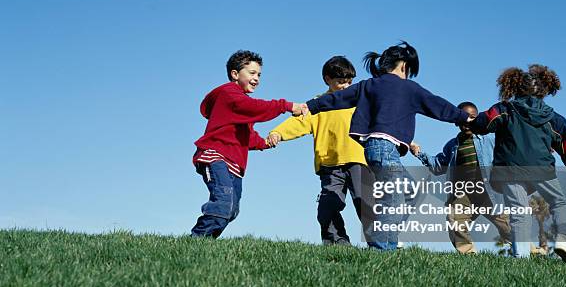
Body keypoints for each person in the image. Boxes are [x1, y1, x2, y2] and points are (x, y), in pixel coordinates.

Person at [306, 41, 471, 250]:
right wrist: (466, 118)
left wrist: (310, 106)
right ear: (403, 66)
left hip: (379, 150)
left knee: (411, 191)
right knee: (392, 198)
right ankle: (380, 248)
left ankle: (389, 241)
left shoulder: (369, 85)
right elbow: (438, 105)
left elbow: (339, 98)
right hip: (383, 149)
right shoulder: (408, 88)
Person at [470, 65, 566, 262]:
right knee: (559, 202)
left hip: (510, 169)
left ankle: (520, 256)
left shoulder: (503, 110)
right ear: (544, 90)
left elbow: (482, 123)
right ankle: (562, 240)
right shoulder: (554, 119)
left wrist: (468, 120)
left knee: (519, 211)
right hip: (542, 170)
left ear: (514, 87)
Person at [191, 50, 306, 238]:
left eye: (259, 74)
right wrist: (286, 105)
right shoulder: (229, 94)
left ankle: (206, 242)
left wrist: (266, 142)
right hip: (215, 154)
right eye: (252, 73)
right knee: (223, 203)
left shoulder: (242, 105)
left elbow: (248, 137)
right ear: (235, 74)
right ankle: (196, 240)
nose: (256, 78)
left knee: (232, 210)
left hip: (235, 164)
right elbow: (254, 108)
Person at [267, 56, 374, 245]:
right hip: (330, 165)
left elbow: (382, 122)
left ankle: (382, 243)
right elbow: (299, 121)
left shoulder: (359, 102)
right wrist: (278, 133)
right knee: (328, 206)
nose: (346, 86)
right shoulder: (320, 103)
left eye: (349, 81)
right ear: (327, 79)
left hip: (358, 161)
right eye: (340, 82)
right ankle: (337, 244)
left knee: (365, 202)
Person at [410, 101, 511, 254]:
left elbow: (510, 150)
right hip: (465, 194)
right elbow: (438, 166)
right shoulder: (452, 146)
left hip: (489, 192)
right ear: (456, 122)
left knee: (507, 224)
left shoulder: (490, 139)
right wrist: (419, 153)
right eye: (463, 118)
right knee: (455, 220)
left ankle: (530, 252)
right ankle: (468, 254)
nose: (468, 122)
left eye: (473, 117)